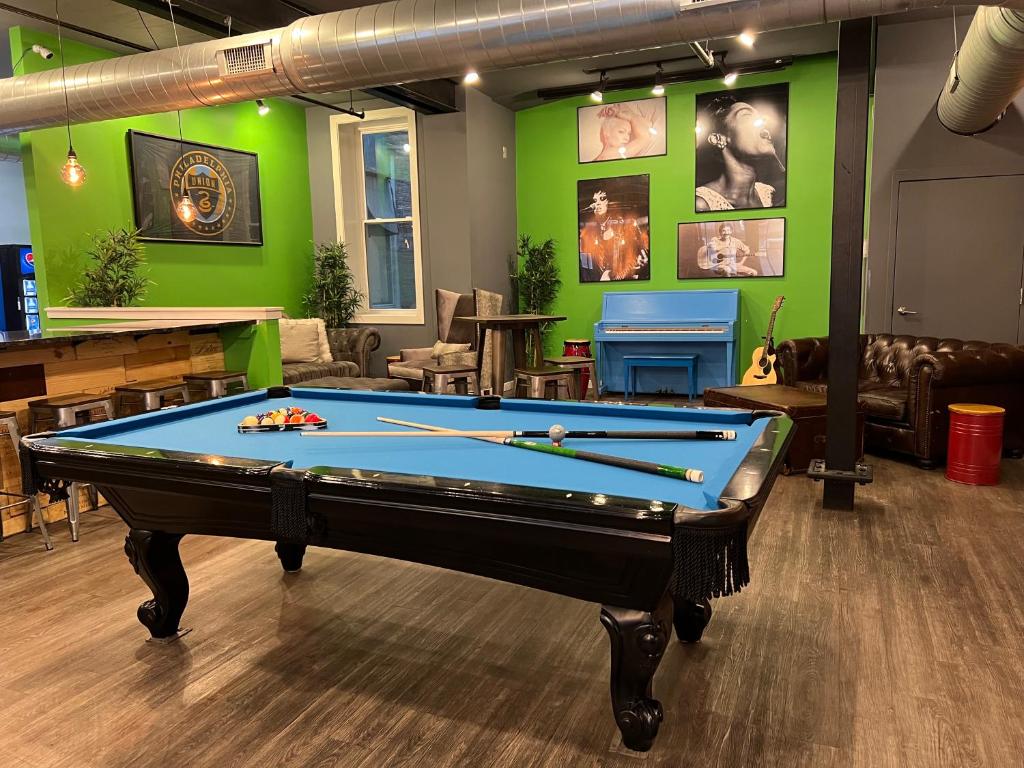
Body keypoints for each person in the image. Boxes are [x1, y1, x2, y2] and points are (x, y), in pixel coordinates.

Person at [695, 95, 785, 211]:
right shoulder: (701, 204)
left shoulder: (769, 194)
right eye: (747, 116)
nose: (762, 122)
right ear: (719, 139)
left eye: (760, 118)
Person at [578, 189, 650, 281]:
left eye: (602, 198)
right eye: (595, 201)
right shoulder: (588, 232)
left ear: (610, 202)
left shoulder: (626, 225)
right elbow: (586, 266)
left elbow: (638, 257)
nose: (598, 203)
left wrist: (613, 276)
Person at [592, 103, 658, 161]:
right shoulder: (610, 155)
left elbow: (647, 127)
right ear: (606, 133)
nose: (627, 138)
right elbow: (644, 138)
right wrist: (631, 116)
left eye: (629, 134)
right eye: (621, 132)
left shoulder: (606, 156)